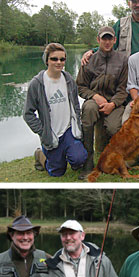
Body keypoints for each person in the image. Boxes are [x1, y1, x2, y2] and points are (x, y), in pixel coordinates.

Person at [23, 42, 87, 177]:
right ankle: (40, 155)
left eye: (62, 59)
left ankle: (70, 154)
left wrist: (77, 124)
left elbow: (76, 105)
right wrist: (42, 131)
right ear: (46, 60)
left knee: (79, 158)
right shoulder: (37, 84)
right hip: (51, 134)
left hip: (69, 130)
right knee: (57, 172)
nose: (59, 62)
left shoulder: (69, 79)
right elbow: (28, 114)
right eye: (54, 59)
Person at [76, 26, 128, 177]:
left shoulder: (123, 60)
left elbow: (123, 89)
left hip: (114, 102)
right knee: (89, 110)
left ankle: (114, 161)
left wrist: (113, 104)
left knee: (113, 128)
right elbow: (80, 86)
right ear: (98, 40)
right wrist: (94, 96)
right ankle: (88, 160)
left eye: (109, 38)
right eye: (103, 38)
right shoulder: (89, 59)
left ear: (114, 40)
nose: (107, 42)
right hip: (94, 100)